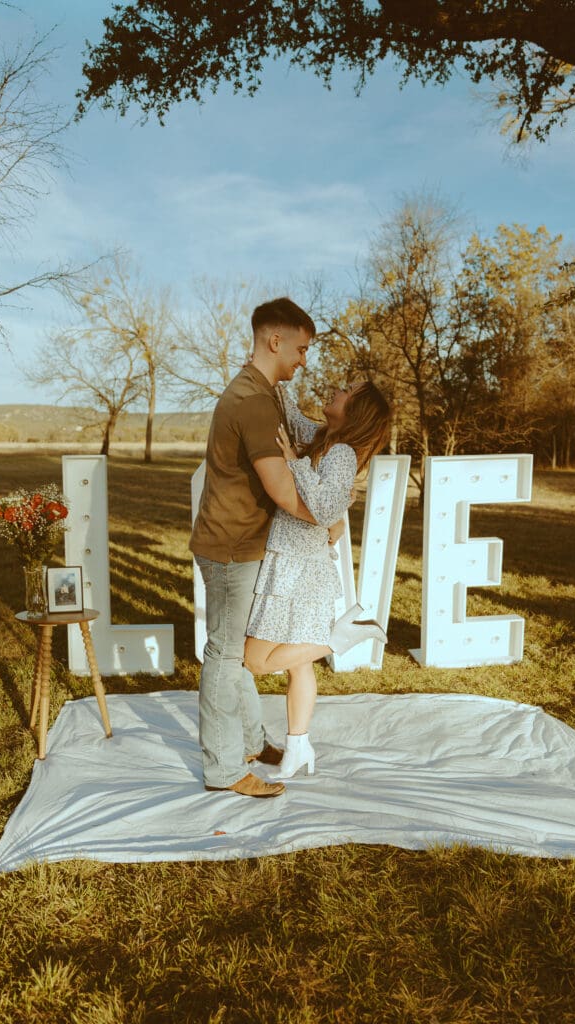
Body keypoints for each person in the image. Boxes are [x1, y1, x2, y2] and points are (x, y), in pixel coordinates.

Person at [191, 297, 341, 799]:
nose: (304, 360)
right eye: (300, 349)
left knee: (234, 652)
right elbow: (282, 490)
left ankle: (252, 742)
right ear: (274, 341)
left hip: (246, 544)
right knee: (224, 654)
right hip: (232, 547)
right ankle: (223, 768)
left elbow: (309, 441)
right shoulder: (252, 402)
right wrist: (328, 517)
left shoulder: (267, 392)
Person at [243, 380, 391, 780]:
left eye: (347, 391)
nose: (336, 389)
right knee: (298, 666)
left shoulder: (341, 453)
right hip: (299, 560)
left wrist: (295, 463)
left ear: (356, 410)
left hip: (298, 567)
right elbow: (291, 420)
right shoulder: (324, 436)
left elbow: (324, 510)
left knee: (254, 661)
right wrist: (272, 378)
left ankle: (339, 639)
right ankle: (298, 746)